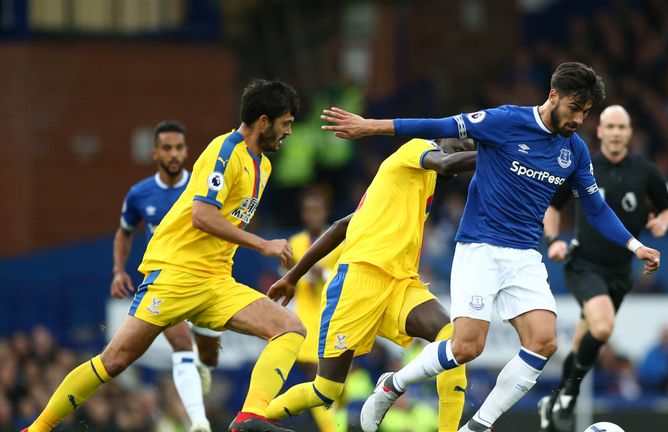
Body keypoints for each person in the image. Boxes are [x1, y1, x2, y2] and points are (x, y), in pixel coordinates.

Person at [320, 62, 661, 432]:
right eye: (575, 108)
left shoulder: (574, 152)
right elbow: (438, 126)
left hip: (525, 255)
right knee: (466, 347)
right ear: (554, 97)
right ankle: (393, 385)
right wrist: (370, 126)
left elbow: (595, 207)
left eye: (586, 112)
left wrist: (633, 244)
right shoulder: (505, 121)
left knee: (544, 341)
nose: (579, 119)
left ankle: (479, 425)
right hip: (480, 247)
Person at [24, 79, 305, 432]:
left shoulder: (262, 166)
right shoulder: (225, 152)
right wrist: (263, 244)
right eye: (286, 123)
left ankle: (248, 419)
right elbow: (201, 216)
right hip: (175, 275)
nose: (289, 131)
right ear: (264, 121)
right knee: (115, 360)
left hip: (216, 281)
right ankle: (36, 429)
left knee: (290, 328)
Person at [265, 137, 476, 432]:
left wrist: (291, 277)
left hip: (398, 283)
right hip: (358, 284)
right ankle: (256, 418)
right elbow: (447, 161)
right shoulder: (416, 148)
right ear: (441, 137)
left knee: (454, 336)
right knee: (326, 391)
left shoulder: (417, 180)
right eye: (463, 142)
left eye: (473, 146)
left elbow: (341, 225)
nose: (467, 149)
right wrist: (293, 277)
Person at [538, 105, 668, 431]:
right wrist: (553, 240)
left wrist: (661, 225)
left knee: (585, 341)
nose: (615, 132)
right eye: (609, 126)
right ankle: (570, 394)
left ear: (629, 133)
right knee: (602, 328)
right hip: (584, 264)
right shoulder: (582, 166)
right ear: (599, 131)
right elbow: (553, 208)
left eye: (621, 127)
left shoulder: (644, 171)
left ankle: (554, 401)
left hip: (619, 272)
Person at [111, 120, 222, 432]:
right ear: (155, 153)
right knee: (181, 343)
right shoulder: (139, 194)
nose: (173, 154)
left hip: (205, 277)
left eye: (178, 148)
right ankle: (199, 422)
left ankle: (202, 366)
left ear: (186, 151)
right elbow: (125, 232)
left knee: (210, 355)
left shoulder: (202, 186)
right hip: (166, 283)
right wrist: (118, 270)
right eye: (167, 148)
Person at [288, 191, 344, 431]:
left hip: (334, 318)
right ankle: (332, 428)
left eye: (317, 210)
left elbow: (343, 276)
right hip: (307, 322)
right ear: (303, 214)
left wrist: (322, 273)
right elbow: (291, 276)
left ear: (325, 212)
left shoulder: (338, 241)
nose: (313, 215)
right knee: (318, 379)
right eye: (309, 210)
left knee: (338, 384)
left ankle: (339, 423)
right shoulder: (295, 243)